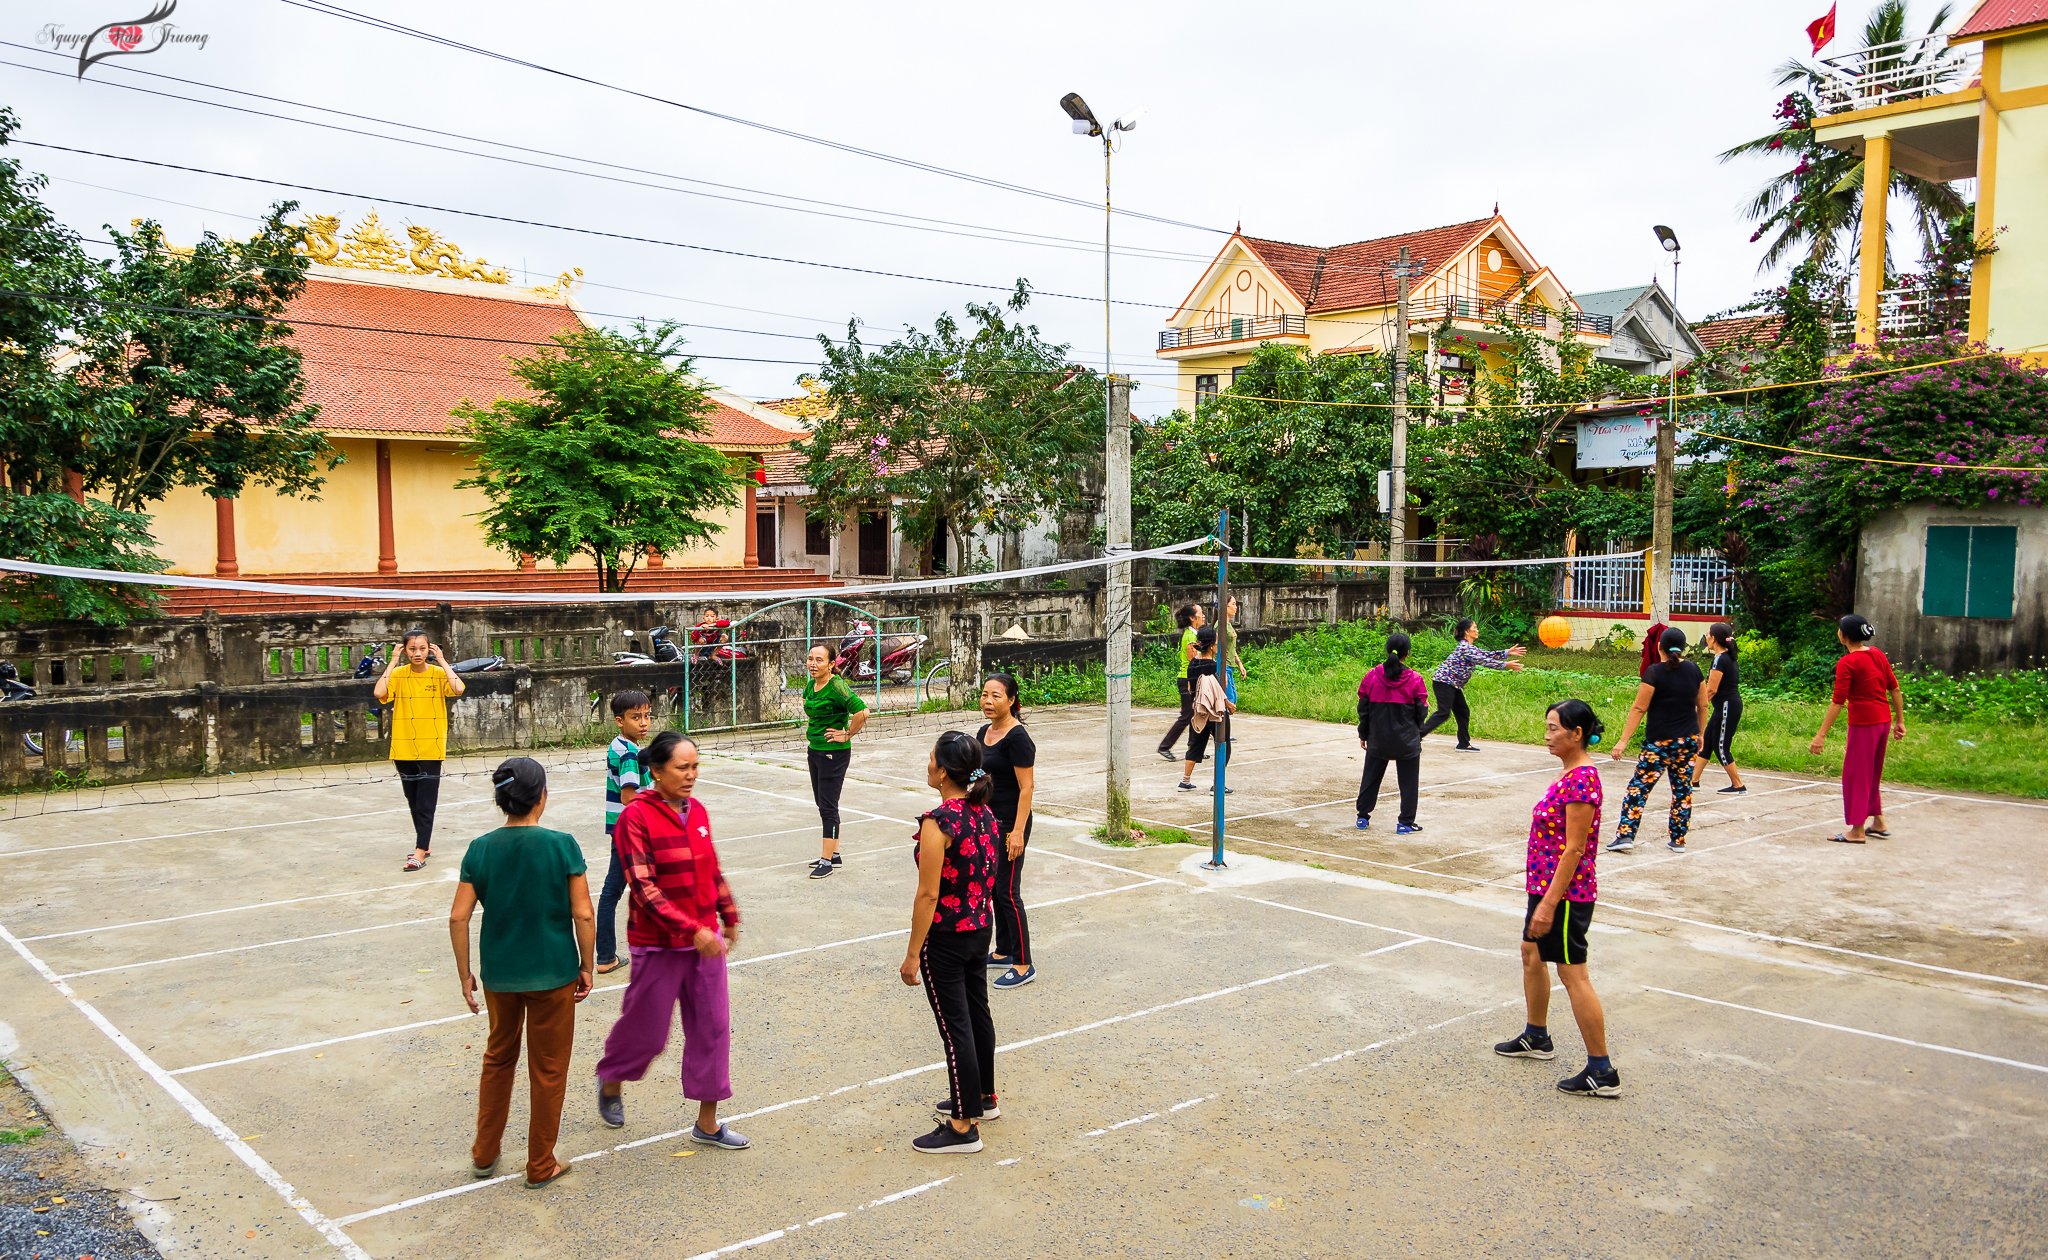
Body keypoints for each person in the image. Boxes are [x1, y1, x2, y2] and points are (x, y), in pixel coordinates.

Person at [593, 733, 748, 1151]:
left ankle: (708, 1123)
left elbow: (710, 868)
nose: (691, 775)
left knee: (713, 1029)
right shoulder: (635, 818)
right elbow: (643, 888)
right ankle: (611, 1078)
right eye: (683, 768)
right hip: (658, 944)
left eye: (695, 766)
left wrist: (727, 913)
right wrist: (691, 929)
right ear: (657, 771)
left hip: (704, 944)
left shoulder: (697, 811)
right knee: (647, 1033)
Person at [449, 757, 594, 1189]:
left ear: (502, 800)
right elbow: (583, 913)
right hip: (553, 974)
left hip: (500, 975)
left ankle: (484, 1152)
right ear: (542, 797)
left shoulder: (480, 848)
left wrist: (465, 974)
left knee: (498, 1057)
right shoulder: (561, 845)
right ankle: (540, 1163)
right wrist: (587, 965)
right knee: (548, 1068)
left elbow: (458, 917)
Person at [1493, 699, 1619, 1099]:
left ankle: (1602, 1070)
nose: (1546, 736)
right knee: (1531, 953)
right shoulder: (1568, 774)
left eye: (1554, 729)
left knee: (1573, 974)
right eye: (1546, 727)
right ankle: (1537, 1036)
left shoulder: (1582, 780)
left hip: (1565, 894)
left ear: (1576, 734)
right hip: (1544, 887)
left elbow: (1575, 848)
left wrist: (1549, 904)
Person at [900, 730, 1000, 1154]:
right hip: (979, 928)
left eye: (931, 760)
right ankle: (983, 1098)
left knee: (955, 1026)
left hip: (946, 937)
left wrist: (912, 955)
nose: (927, 765)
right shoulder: (985, 814)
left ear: (943, 772)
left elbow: (928, 894)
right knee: (977, 1015)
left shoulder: (938, 822)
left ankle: (962, 1126)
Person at [1607, 626, 1709, 854]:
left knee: (1639, 788)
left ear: (1659, 646)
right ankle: (1678, 840)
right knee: (1682, 791)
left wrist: (1623, 741)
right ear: (1683, 648)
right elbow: (1703, 706)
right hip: (1687, 741)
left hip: (1659, 744)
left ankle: (1625, 835)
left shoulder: (1654, 673)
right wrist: (1701, 734)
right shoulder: (1694, 670)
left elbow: (1639, 708)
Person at [375, 627, 466, 871]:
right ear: (405, 650)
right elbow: (379, 692)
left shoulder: (438, 674)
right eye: (412, 649)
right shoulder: (399, 674)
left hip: (430, 747)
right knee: (413, 800)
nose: (418, 653)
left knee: (426, 802)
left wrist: (443, 660)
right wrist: (393, 661)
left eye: (422, 648)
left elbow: (458, 689)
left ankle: (419, 851)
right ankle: (424, 844)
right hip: (403, 747)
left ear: (429, 650)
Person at [1809, 614, 1905, 844]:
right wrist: (1900, 721)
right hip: (1882, 721)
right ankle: (1878, 821)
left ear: (1843, 636)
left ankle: (1857, 829)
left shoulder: (1848, 662)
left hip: (1864, 724)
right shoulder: (1877, 654)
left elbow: (1837, 702)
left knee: (1856, 775)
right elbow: (1894, 688)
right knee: (1871, 773)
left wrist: (1821, 735)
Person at [977, 674, 1037, 991]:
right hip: (989, 822)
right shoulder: (983, 733)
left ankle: (1024, 963)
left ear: (1011, 700)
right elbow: (979, 775)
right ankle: (1003, 951)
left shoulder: (1018, 739)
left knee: (1008, 892)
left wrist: (1017, 832)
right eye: (984, 694)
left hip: (1011, 823)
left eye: (996, 696)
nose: (988, 701)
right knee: (994, 889)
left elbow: (1026, 788)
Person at [595, 690, 652, 975]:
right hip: (631, 830)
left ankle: (608, 955)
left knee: (617, 890)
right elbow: (629, 796)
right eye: (635, 717)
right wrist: (660, 803)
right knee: (618, 891)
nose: (643, 723)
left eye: (647, 716)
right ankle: (607, 956)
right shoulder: (629, 753)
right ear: (619, 721)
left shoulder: (618, 746)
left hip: (623, 828)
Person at [802, 643, 869, 879]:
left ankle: (826, 861)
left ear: (831, 664)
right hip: (815, 750)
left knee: (828, 807)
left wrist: (847, 734)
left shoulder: (837, 686)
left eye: (819, 660)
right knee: (823, 803)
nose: (813, 664)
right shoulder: (812, 684)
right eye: (810, 658)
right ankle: (835, 853)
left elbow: (863, 712)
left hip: (834, 754)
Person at [1355, 631, 1429, 834]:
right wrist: (1416, 732)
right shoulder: (1415, 679)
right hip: (1406, 741)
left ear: (1387, 650)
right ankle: (1405, 822)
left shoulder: (1372, 676)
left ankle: (1362, 817)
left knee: (1370, 778)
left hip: (1378, 739)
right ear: (1408, 653)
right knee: (1408, 783)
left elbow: (1363, 709)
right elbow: (1421, 711)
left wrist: (1364, 734)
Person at [1420, 618, 1525, 751]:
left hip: (1453, 684)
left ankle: (1463, 743)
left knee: (1463, 711)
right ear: (1466, 632)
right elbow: (1483, 660)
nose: (1477, 630)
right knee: (1444, 712)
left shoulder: (1469, 647)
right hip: (1444, 682)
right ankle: (1416, 736)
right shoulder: (1465, 648)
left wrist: (1506, 652)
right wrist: (1505, 665)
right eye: (1474, 628)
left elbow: (1486, 654)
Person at [1691, 624, 1748, 795]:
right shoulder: (1726, 657)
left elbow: (1711, 690)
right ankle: (1693, 781)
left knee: (1721, 746)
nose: (1706, 637)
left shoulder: (1720, 659)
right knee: (1707, 742)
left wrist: (1698, 707)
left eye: (1708, 635)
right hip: (1724, 706)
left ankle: (1738, 785)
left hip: (1727, 707)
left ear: (1714, 638)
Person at [1179, 627, 1234, 794]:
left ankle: (1185, 781)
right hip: (1215, 711)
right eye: (1216, 642)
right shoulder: (1215, 667)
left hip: (1198, 709)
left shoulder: (1192, 664)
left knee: (1195, 744)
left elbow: (1190, 687)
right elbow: (1218, 691)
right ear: (1211, 646)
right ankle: (1217, 784)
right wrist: (1229, 704)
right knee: (1224, 744)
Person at [1155, 603, 1206, 761]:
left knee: (1195, 714)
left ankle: (1194, 749)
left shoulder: (1194, 634)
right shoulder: (1190, 636)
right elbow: (1193, 662)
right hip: (1187, 680)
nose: (1203, 615)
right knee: (1187, 715)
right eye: (1201, 612)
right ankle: (1164, 747)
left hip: (1191, 679)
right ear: (1192, 618)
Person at [1219, 594, 1249, 707]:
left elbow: (1230, 647)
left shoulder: (1228, 625)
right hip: (1224, 666)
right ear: (1225, 606)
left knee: (1233, 698)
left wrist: (1239, 663)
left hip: (1230, 666)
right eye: (1233, 604)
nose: (1236, 607)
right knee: (1229, 700)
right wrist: (1221, 670)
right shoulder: (1220, 626)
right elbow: (1216, 648)